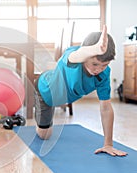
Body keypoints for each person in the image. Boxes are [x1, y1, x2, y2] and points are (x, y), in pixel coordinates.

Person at [34, 25, 127, 157]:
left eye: (104, 65)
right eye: (95, 64)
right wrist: (94, 49)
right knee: (44, 135)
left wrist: (108, 144)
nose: (98, 69)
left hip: (61, 95)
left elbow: (105, 107)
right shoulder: (74, 56)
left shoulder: (103, 75)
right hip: (44, 91)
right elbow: (76, 56)